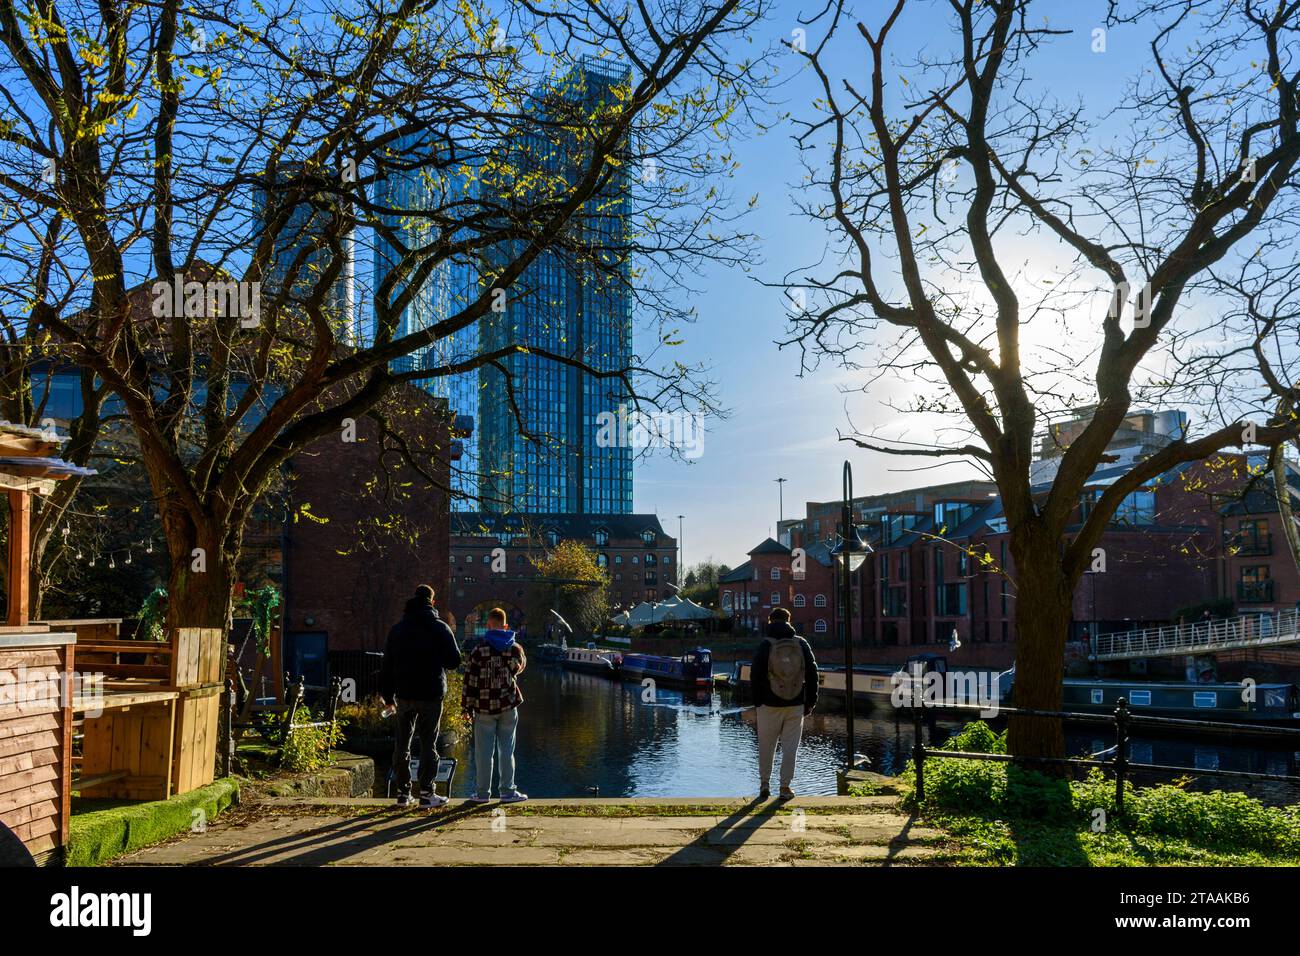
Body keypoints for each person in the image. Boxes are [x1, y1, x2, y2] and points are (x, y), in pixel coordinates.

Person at [380, 584, 462, 808]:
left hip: (404, 694)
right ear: (432, 602)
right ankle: (427, 793)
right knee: (429, 744)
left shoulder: (397, 630)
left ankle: (402, 794)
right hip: (431, 694)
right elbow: (454, 661)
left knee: (402, 744)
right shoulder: (440, 628)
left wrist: (387, 698)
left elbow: (386, 666)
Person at [461, 607, 529, 804]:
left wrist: (466, 707)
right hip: (508, 705)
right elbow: (520, 668)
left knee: (483, 752)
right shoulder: (515, 649)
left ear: (488, 626)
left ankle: (482, 794)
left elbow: (470, 682)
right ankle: (508, 791)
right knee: (507, 749)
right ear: (505, 626)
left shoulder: (478, 651)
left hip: (484, 708)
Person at [751, 607, 818, 800]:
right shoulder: (801, 644)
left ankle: (764, 785)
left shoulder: (765, 645)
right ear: (789, 621)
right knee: (790, 748)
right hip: (795, 703)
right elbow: (812, 673)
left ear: (770, 622)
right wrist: (810, 702)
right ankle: (785, 788)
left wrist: (757, 702)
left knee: (766, 746)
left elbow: (755, 675)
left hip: (768, 704)